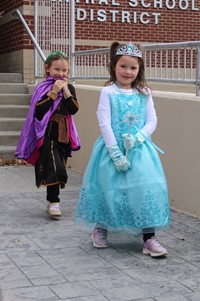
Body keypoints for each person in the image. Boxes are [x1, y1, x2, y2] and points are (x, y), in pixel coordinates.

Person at [75, 42, 170, 257]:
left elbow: (152, 120)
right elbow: (104, 123)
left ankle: (149, 237)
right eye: (123, 66)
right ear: (114, 66)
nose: (128, 72)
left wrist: (138, 137)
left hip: (139, 149)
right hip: (112, 149)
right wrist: (115, 153)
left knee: (145, 188)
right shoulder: (108, 92)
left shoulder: (144, 92)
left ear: (139, 69)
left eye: (133, 68)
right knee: (108, 187)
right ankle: (100, 228)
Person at [16, 50, 80, 219]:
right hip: (46, 133)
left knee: (58, 164)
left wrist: (65, 91)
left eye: (64, 70)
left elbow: (73, 109)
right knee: (54, 166)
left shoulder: (70, 87)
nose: (61, 73)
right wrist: (53, 92)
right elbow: (38, 111)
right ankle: (54, 203)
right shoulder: (42, 88)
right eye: (57, 69)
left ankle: (52, 200)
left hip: (63, 134)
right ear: (47, 69)